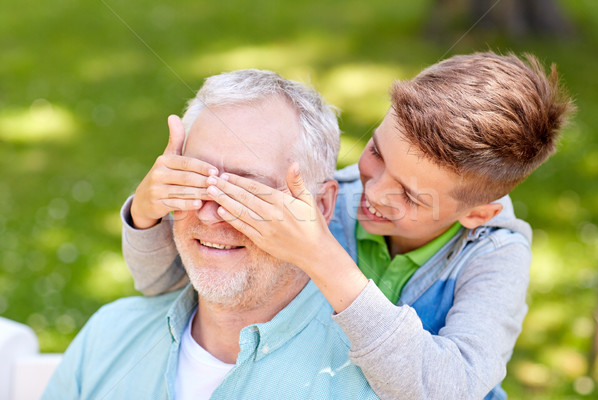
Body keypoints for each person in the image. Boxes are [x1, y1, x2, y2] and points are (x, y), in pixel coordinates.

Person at [120, 52, 574, 400]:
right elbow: (163, 282)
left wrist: (321, 257)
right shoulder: (323, 200)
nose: (372, 193)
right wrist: (146, 210)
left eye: (410, 195)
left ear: (476, 214)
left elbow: (450, 386)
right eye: (376, 152)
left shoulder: (494, 256)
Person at [43, 70, 380, 399]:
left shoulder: (366, 383)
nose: (208, 212)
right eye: (191, 180)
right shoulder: (108, 335)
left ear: (320, 206)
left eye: (244, 191)